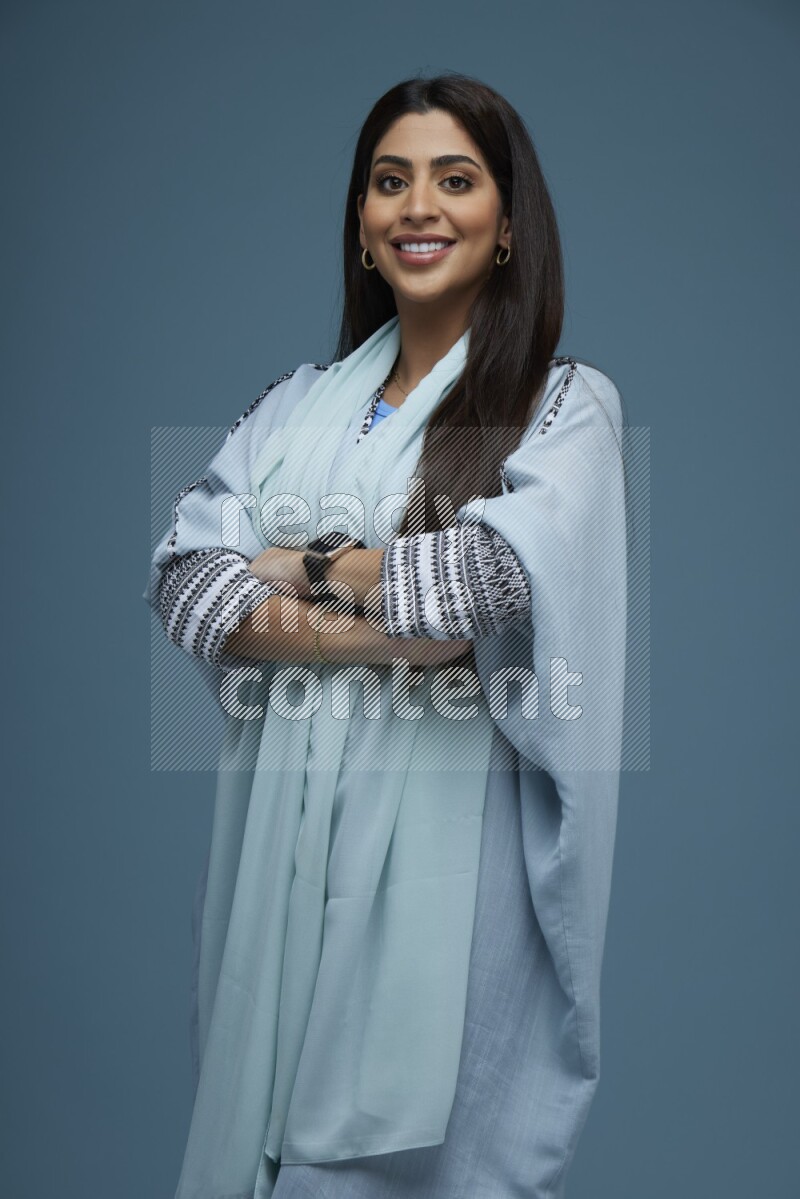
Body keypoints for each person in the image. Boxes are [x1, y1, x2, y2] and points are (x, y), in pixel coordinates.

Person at [144, 72, 628, 1199]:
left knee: (392, 1162)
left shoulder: (561, 405)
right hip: (280, 843)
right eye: (389, 180)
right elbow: (182, 582)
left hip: (450, 880)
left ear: (508, 226)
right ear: (361, 227)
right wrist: (373, 636)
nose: (418, 206)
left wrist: (303, 565)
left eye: (454, 180)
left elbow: (487, 577)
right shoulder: (293, 405)